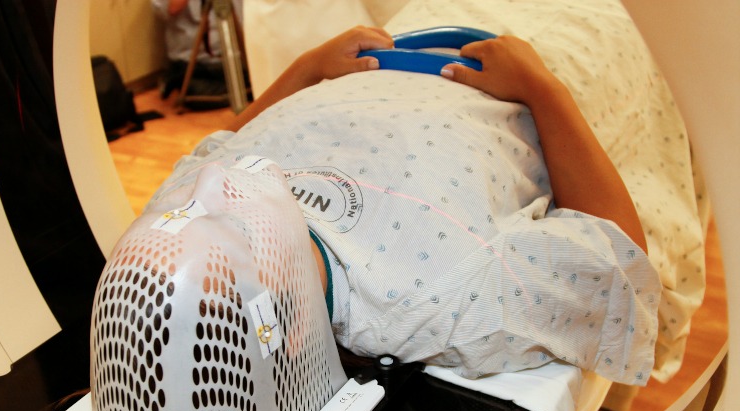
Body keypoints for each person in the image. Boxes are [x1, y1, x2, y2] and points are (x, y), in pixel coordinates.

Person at [147, 26, 660, 385]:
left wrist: (307, 68)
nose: (215, 190)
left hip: (376, 54)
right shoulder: (448, 294)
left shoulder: (179, 210)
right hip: (537, 53)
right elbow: (623, 263)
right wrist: (542, 87)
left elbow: (216, 147)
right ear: (297, 332)